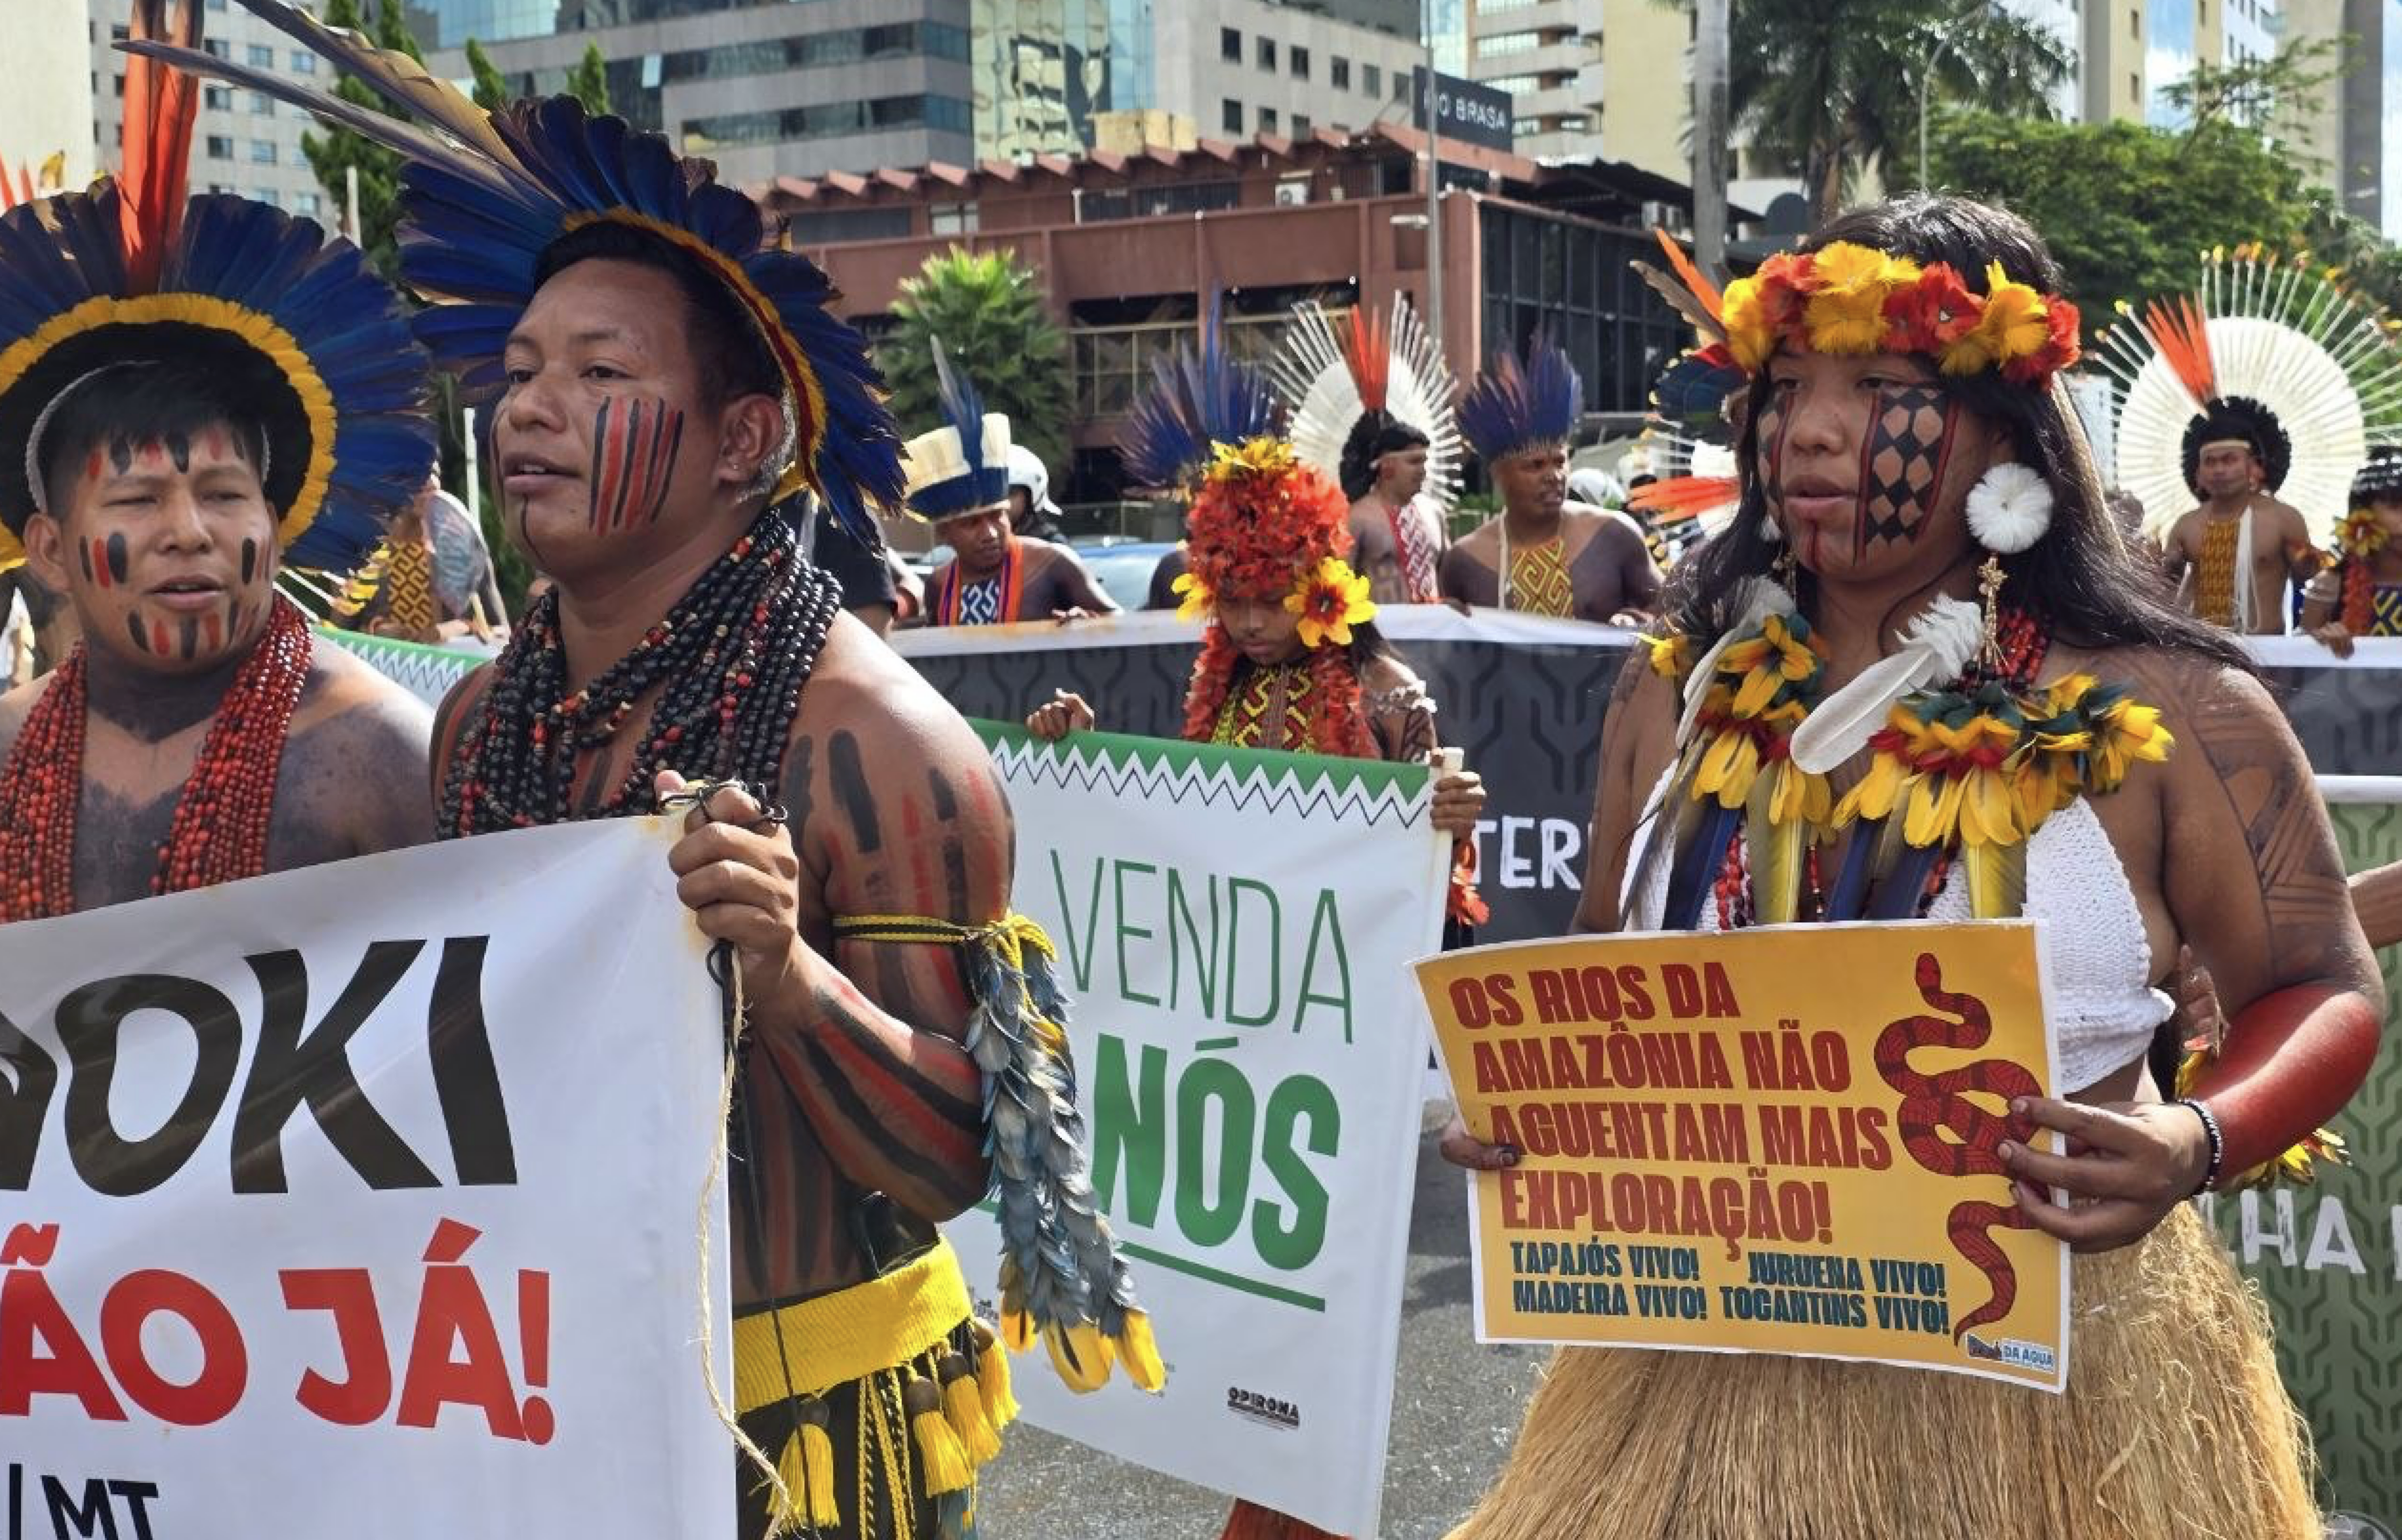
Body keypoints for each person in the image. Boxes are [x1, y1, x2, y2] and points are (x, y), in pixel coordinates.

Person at [162, 16, 1162, 1537]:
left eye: (595, 370)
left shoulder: (881, 749)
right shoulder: (487, 719)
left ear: (742, 438)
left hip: (805, 1436)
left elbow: (968, 1160)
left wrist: (785, 973)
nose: (527, 409)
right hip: (534, 1401)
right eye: (515, 372)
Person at [1438, 194, 2379, 1535]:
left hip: (2064, 1384)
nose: (1810, 427)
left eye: (1878, 383)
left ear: (2005, 434)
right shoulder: (1676, 699)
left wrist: (2192, 1135)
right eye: (1786, 386)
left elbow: (2320, 981)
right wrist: (1540, 1109)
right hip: (1698, 1370)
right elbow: (1612, 993)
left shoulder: (2179, 713)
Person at [1030, 374, 1484, 1540]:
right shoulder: (1216, 684)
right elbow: (1185, 848)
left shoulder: (1391, 697)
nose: (1243, 622)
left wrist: (1448, 820)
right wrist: (1077, 760)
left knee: (1324, 1307)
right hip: (1238, 1041)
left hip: (1341, 1049)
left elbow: (1435, 906)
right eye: (1227, 598)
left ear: (1323, 579)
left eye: (1269, 596)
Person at [0, 3, 436, 918]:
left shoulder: (375, 755)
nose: (188, 531)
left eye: (223, 491)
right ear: (48, 548)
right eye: (139, 497)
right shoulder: (8, 753)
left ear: (274, 523)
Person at [1439, 340, 1663, 623]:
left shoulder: (1613, 534)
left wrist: (1636, 619)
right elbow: (1452, 654)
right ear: (1499, 474)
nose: (1553, 476)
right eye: (1535, 465)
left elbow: (1673, 613)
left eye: (1560, 461)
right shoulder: (1465, 560)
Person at [1271, 300, 1459, 605]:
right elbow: (1336, 594)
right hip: (1379, 641)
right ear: (1386, 467)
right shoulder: (1356, 518)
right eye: (1413, 462)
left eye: (1424, 461)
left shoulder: (1434, 513)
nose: (1423, 470)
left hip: (1432, 642)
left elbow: (1449, 583)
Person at [911, 351, 1116, 625]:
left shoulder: (1052, 562)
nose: (990, 533)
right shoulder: (939, 584)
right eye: (972, 523)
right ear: (944, 532)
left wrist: (1088, 625)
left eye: (997, 516)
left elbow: (1118, 623)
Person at [2158, 396, 2321, 632]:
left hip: (2268, 656)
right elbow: (2163, 592)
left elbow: (2313, 585)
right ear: (2199, 473)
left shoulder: (2284, 519)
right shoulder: (2186, 525)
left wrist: (2310, 563)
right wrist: (2157, 564)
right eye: (2210, 462)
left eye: (2229, 460)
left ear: (2254, 466)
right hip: (2205, 655)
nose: (2219, 470)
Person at [336, 471, 509, 645]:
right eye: (418, 469)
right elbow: (338, 637)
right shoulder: (362, 551)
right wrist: (376, 630)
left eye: (435, 472)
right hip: (377, 667)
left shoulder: (463, 550)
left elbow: (503, 634)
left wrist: (459, 628)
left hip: (447, 669)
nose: (431, 481)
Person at [2300, 445, 2402, 656]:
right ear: (2362, 513)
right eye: (2396, 506)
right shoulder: (2329, 585)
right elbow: (2297, 672)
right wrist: (2321, 643)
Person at [1004, 440, 1070, 544]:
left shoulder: (1051, 547)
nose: (1000, 502)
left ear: (1031, 496)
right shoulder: (982, 543)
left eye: (1009, 492)